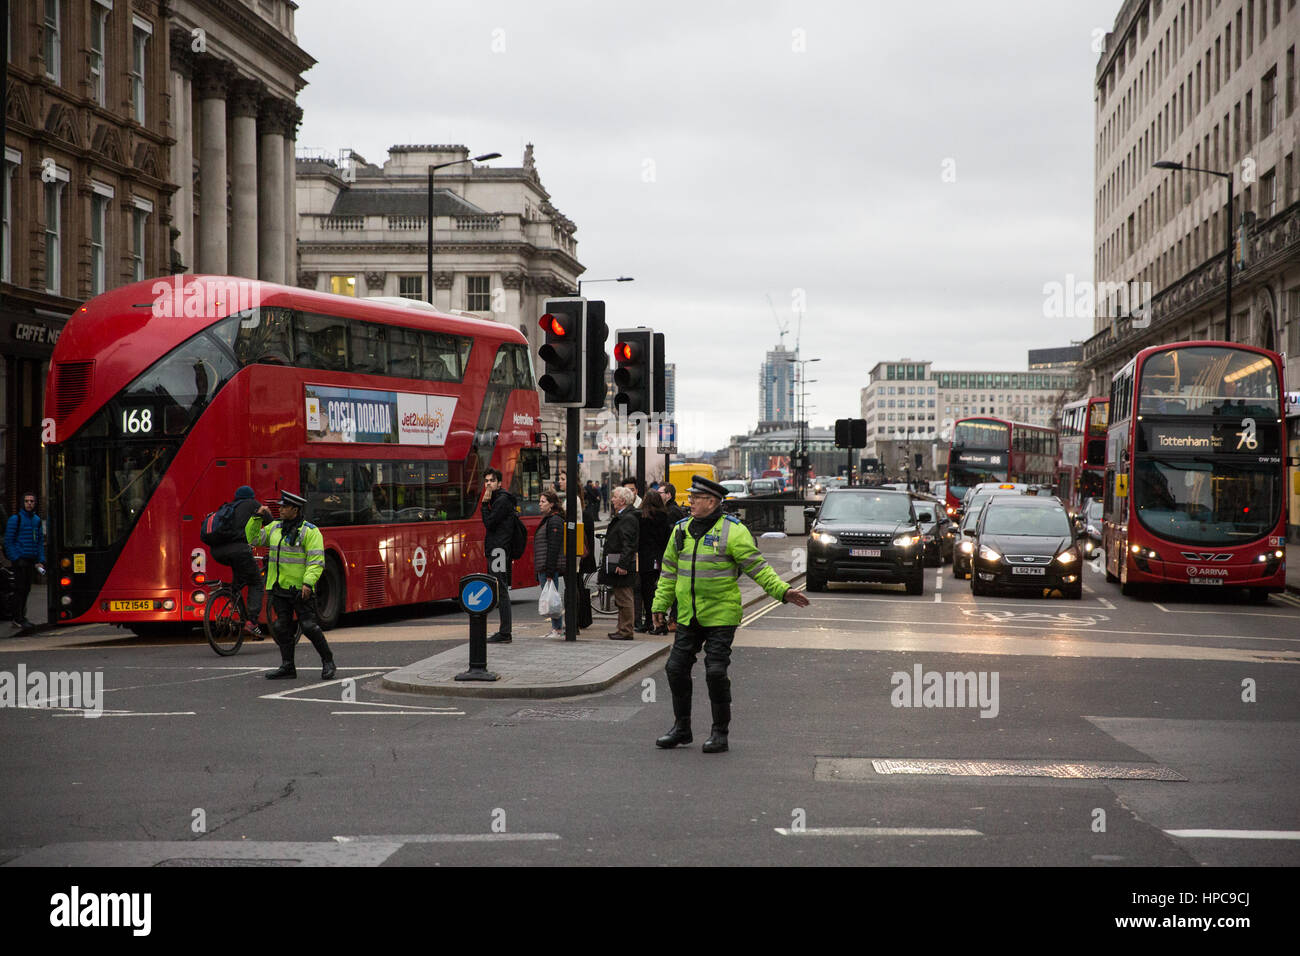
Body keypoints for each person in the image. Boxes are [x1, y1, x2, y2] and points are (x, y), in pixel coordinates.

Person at [652, 475, 811, 753]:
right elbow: (668, 572)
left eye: (695, 498)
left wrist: (782, 591)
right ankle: (682, 728)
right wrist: (659, 605)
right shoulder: (680, 530)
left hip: (721, 615)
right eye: (690, 497)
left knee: (715, 671)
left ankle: (719, 732)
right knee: (675, 669)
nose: (689, 502)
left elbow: (758, 568)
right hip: (689, 615)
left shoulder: (733, 531)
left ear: (712, 502)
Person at [246, 490, 336, 680]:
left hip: (300, 589)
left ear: (295, 509)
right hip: (279, 588)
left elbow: (316, 561)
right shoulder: (275, 528)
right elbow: (253, 539)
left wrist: (308, 583)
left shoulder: (310, 531)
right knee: (281, 627)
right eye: (280, 506)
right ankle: (288, 666)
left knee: (309, 626)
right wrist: (255, 518)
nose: (280, 509)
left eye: (284, 507)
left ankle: (328, 661)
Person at [209, 486, 266, 637]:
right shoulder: (252, 504)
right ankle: (252, 622)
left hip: (217, 551)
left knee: (239, 572)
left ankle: (233, 594)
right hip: (239, 550)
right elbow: (271, 522)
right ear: (251, 496)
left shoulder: (228, 508)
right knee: (257, 583)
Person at [480, 468, 516, 643]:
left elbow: (489, 523)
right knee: (498, 588)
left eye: (492, 481)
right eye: (486, 481)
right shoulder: (497, 500)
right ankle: (504, 631)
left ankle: (505, 632)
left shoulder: (501, 500)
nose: (488, 484)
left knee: (501, 588)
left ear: (499, 483)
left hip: (499, 551)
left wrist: (483, 506)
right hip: (496, 549)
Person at [603, 486, 639, 640]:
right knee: (620, 597)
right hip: (620, 563)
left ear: (622, 501)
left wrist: (623, 565)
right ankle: (621, 628)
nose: (612, 500)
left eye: (615, 497)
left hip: (622, 565)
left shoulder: (628, 518)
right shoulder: (624, 516)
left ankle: (625, 630)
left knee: (624, 598)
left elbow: (628, 544)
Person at [4, 492, 45, 630]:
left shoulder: (37, 520)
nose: (29, 503)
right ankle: (18, 618)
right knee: (19, 589)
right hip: (20, 560)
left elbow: (39, 542)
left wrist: (40, 560)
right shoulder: (15, 519)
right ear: (23, 503)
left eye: (32, 501)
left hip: (31, 560)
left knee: (26, 589)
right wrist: (16, 558)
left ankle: (22, 617)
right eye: (27, 501)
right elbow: (8, 541)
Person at [636, 489, 671, 633]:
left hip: (645, 559)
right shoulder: (665, 517)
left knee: (647, 592)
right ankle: (660, 620)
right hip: (660, 557)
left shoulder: (642, 518)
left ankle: (650, 621)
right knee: (659, 591)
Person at [535, 489, 566, 638]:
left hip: (548, 567)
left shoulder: (554, 521)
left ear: (551, 504)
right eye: (540, 501)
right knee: (551, 597)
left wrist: (549, 570)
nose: (539, 504)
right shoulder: (549, 519)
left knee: (552, 599)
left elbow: (553, 547)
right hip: (545, 566)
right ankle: (556, 628)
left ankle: (558, 629)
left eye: (543, 501)